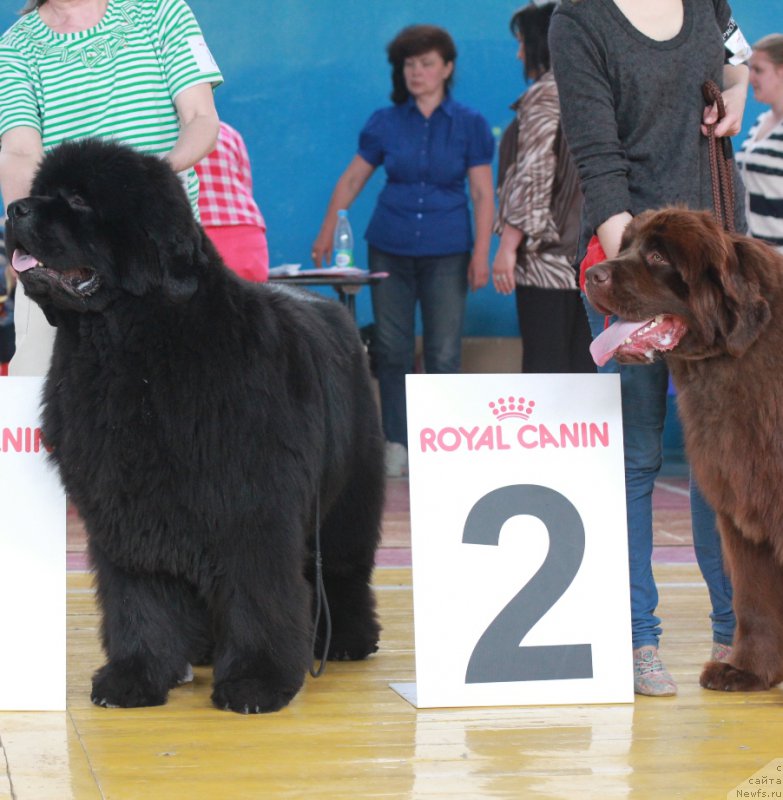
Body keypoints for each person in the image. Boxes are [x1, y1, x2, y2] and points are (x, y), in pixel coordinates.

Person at [550, 0, 751, 696]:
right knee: (635, 455)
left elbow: (736, 65)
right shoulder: (577, 21)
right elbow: (599, 164)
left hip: (710, 268)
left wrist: (734, 98)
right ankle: (638, 638)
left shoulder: (708, 3)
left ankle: (741, 635)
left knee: (718, 461)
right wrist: (635, 292)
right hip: (630, 262)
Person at [0, 0, 223, 376]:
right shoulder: (14, 47)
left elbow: (201, 119)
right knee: (38, 390)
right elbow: (19, 150)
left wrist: (152, 179)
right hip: (64, 263)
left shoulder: (161, 11)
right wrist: (34, 235)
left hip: (156, 258)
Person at [311, 24, 495, 478]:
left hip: (449, 249)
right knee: (391, 349)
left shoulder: (469, 124)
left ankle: (443, 442)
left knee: (444, 352)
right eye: (409, 64)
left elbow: (482, 194)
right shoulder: (385, 122)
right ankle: (396, 442)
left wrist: (481, 254)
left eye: (427, 63)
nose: (417, 72)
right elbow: (354, 179)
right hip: (389, 247)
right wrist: (328, 229)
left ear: (447, 68)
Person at [492, 2, 594, 374]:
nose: (520, 52)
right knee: (586, 370)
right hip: (591, 259)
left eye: (523, 42)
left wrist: (508, 246)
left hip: (544, 259)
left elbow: (533, 175)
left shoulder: (544, 95)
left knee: (545, 371)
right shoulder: (594, 90)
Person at [195, 120, 269, 281]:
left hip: (197, 233)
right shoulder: (227, 131)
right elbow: (246, 184)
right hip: (246, 232)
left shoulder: (160, 134)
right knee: (249, 303)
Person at [737, 34, 783, 252]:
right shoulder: (761, 122)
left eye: (759, 70)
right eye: (749, 69)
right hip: (760, 259)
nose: (750, 77)